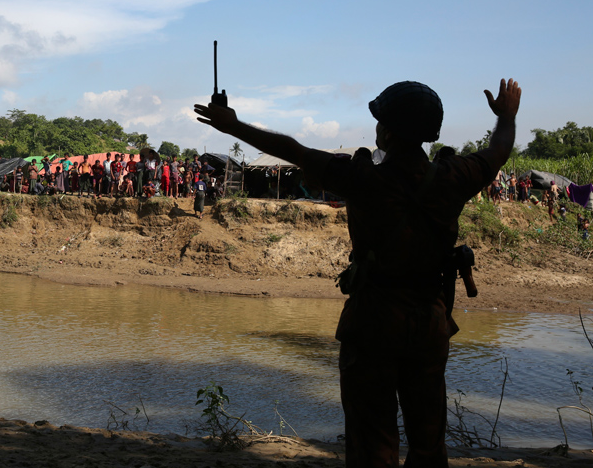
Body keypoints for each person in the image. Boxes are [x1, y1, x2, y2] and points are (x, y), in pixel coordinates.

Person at [195, 78, 521, 467]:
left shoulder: (363, 178)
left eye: (381, 120)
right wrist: (506, 117)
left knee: (372, 445)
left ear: (389, 130)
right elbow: (498, 151)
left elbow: (294, 150)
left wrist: (232, 126)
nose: (377, 128)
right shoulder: (455, 177)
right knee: (429, 442)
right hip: (429, 324)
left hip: (374, 324)